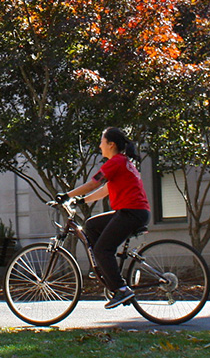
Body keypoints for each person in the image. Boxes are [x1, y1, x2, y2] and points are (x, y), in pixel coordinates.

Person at [57, 127, 150, 309]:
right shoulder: (123, 163)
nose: (99, 146)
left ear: (111, 144)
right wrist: (82, 199)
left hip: (131, 212)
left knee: (102, 249)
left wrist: (66, 196)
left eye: (102, 141)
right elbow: (105, 190)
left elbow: (94, 183)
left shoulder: (115, 162)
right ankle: (105, 268)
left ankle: (121, 289)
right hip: (134, 212)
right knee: (91, 225)